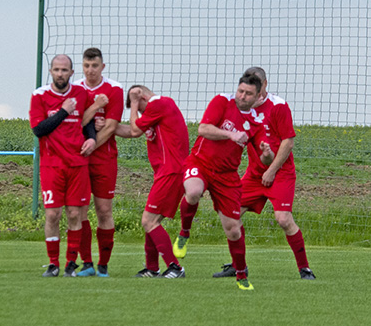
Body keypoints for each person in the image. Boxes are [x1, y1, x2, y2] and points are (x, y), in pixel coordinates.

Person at [212, 67, 315, 280]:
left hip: (281, 173)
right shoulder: (240, 106)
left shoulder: (278, 106)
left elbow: (288, 142)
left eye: (257, 86)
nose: (251, 91)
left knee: (283, 219)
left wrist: (271, 169)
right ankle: (238, 266)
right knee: (231, 215)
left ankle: (304, 269)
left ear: (264, 85)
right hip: (254, 174)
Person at [174, 73, 274, 290]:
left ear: (257, 96)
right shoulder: (221, 101)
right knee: (193, 191)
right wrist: (231, 135)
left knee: (233, 229)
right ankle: (184, 233)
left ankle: (241, 276)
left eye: (248, 94)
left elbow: (266, 157)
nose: (242, 96)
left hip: (227, 177)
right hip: (200, 163)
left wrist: (267, 153)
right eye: (241, 91)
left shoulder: (256, 122)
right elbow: (203, 129)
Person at [30, 54, 97, 277]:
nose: (60, 74)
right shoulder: (39, 95)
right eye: (57, 70)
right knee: (52, 215)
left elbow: (86, 123)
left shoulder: (82, 94)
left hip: (77, 164)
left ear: (71, 73)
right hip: (52, 165)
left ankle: (70, 263)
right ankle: (52, 263)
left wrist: (92, 139)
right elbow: (39, 129)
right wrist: (64, 111)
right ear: (51, 71)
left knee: (74, 214)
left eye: (65, 70)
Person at [115, 85, 190, 278]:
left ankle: (175, 267)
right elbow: (131, 131)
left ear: (141, 96)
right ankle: (152, 268)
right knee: (152, 220)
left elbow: (134, 129)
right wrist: (109, 127)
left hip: (171, 171)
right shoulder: (157, 110)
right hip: (167, 172)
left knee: (148, 220)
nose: (139, 113)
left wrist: (132, 102)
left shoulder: (160, 104)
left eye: (139, 108)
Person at [71, 48, 124, 278]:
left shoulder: (114, 89)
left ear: (103, 66)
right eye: (86, 66)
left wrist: (92, 144)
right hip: (79, 160)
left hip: (104, 159)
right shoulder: (75, 89)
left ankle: (103, 265)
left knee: (104, 210)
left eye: (94, 66)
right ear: (82, 67)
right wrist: (92, 116)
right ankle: (87, 263)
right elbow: (74, 123)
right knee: (79, 210)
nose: (90, 70)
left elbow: (112, 126)